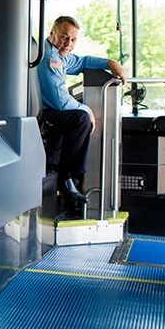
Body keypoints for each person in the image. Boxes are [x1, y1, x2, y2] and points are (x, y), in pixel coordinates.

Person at [38, 15, 127, 205]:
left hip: (50, 111)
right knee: (80, 118)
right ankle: (66, 177)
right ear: (52, 33)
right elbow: (61, 102)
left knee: (78, 117)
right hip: (43, 113)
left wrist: (110, 63)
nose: (68, 43)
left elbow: (83, 61)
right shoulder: (50, 57)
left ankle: (67, 174)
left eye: (73, 39)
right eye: (64, 37)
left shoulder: (58, 54)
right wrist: (87, 109)